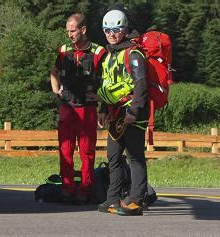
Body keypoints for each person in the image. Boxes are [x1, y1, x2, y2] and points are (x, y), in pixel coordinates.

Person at [96, 9, 149, 216]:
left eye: (116, 29)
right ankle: (113, 197)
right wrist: (102, 109)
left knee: (135, 156)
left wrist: (134, 111)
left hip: (132, 111)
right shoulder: (109, 54)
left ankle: (137, 199)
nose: (111, 33)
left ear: (124, 28)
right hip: (114, 112)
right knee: (114, 157)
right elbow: (107, 84)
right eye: (107, 30)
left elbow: (141, 84)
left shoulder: (134, 53)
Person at [50, 13, 106, 204]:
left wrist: (101, 99)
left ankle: (85, 189)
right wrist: (56, 90)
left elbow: (107, 80)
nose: (70, 35)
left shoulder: (99, 52)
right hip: (66, 106)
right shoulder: (64, 50)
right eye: (68, 31)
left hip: (87, 108)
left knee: (87, 152)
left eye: (73, 31)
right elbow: (54, 71)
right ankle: (67, 188)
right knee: (65, 150)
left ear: (83, 30)